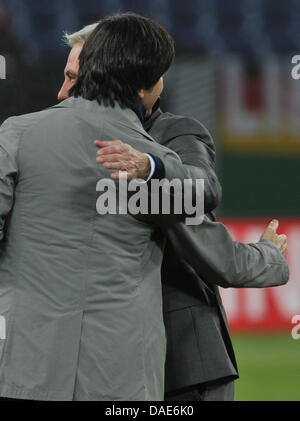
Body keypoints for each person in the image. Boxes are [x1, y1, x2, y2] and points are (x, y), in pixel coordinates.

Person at [58, 23, 289, 401]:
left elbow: (203, 203)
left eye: (74, 78)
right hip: (96, 359)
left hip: (184, 360)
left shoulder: (173, 138)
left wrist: (150, 167)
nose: (62, 92)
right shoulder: (61, 147)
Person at [0, 13, 203, 402]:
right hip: (122, 376)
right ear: (146, 84)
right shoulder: (154, 161)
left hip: (27, 366)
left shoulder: (18, 134)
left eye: (71, 76)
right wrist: (268, 260)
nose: (61, 90)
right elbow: (202, 217)